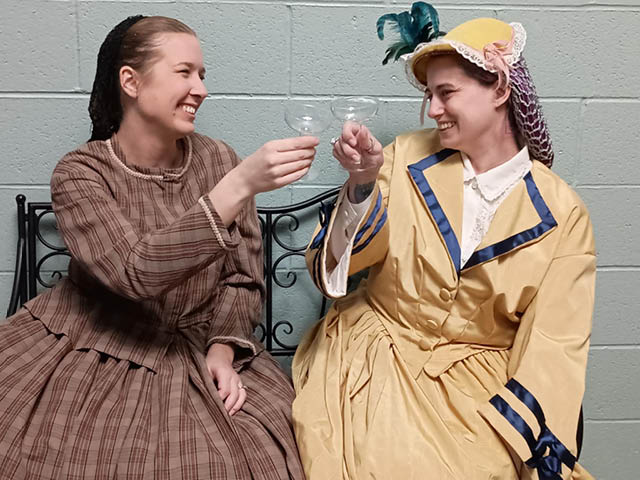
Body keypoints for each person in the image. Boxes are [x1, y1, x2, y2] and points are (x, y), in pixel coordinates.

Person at [0, 15, 313, 479]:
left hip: (197, 345)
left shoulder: (218, 159)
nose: (201, 89)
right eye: (184, 72)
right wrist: (240, 185)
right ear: (130, 81)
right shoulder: (80, 173)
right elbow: (136, 271)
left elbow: (242, 277)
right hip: (95, 343)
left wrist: (223, 349)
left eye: (202, 75)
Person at [292, 3, 596, 479]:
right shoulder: (404, 156)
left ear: (499, 88)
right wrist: (364, 185)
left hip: (479, 388)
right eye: (430, 94)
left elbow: (555, 343)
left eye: (446, 92)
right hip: (377, 355)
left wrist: (535, 452)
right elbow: (334, 268)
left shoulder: (564, 212)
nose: (432, 109)